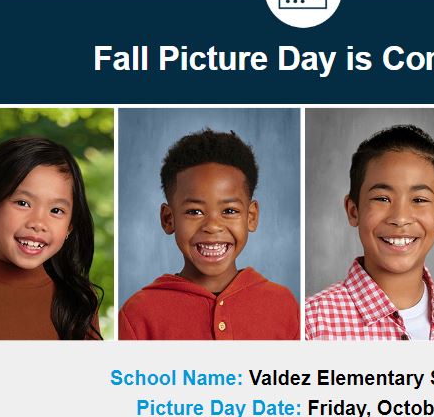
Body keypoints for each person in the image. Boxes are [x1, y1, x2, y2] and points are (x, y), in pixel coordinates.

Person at [305, 124, 434, 340]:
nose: (400, 218)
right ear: (353, 211)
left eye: (419, 200)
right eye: (382, 199)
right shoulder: (312, 323)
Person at [118, 129, 299, 340]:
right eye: (194, 212)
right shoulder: (138, 313)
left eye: (229, 211)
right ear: (168, 219)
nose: (212, 226)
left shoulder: (283, 304)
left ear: (251, 217)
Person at [0, 137, 102, 339]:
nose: (38, 223)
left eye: (56, 210)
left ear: (69, 227)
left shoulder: (79, 300)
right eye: (22, 203)